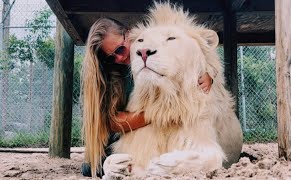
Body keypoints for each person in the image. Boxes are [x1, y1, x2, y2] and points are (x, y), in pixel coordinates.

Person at [81, 18, 214, 177]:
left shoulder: (149, 49)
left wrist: (208, 73)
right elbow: (114, 122)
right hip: (121, 135)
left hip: (150, 128)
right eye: (110, 57)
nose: (119, 59)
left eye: (121, 50)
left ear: (129, 34)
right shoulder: (114, 73)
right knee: (94, 168)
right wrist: (164, 112)